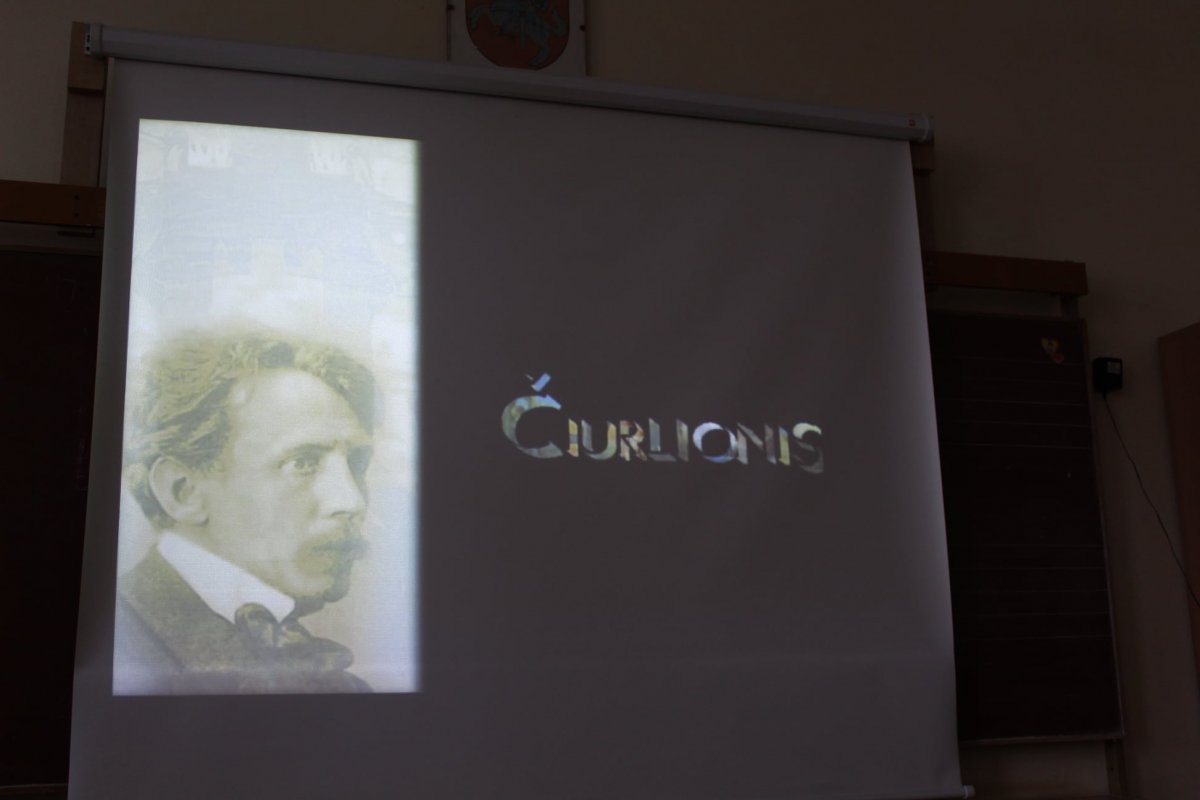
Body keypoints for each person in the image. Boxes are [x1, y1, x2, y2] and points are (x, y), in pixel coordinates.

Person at [114, 331, 377, 694]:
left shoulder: (345, 685)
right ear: (183, 491)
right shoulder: (116, 651)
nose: (352, 501)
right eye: (303, 462)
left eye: (357, 464)